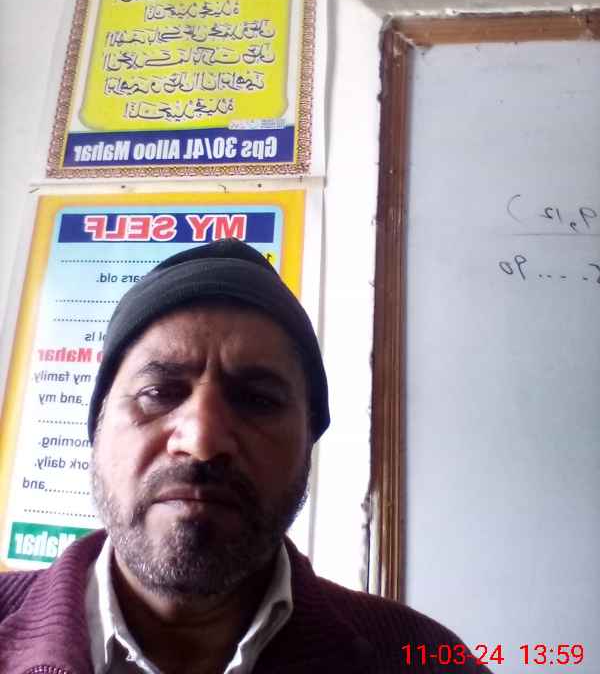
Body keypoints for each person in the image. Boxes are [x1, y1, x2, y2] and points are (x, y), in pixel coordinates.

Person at [0, 239, 489, 674]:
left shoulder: (424, 658)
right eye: (159, 392)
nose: (202, 441)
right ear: (98, 425)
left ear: (308, 441)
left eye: (257, 399)